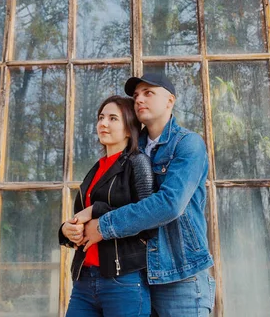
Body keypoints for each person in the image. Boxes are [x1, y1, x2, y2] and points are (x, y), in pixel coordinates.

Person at [78, 73, 215, 317]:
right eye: (136, 95)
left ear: (170, 101)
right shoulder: (129, 149)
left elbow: (169, 204)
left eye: (149, 93)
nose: (139, 99)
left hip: (179, 273)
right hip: (136, 274)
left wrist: (103, 226)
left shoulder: (188, 144)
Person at [59, 95, 154, 317]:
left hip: (123, 281)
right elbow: (82, 218)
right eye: (101, 117)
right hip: (84, 280)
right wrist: (66, 230)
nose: (103, 123)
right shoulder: (96, 168)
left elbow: (149, 220)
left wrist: (97, 210)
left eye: (113, 118)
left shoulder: (138, 163)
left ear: (130, 129)